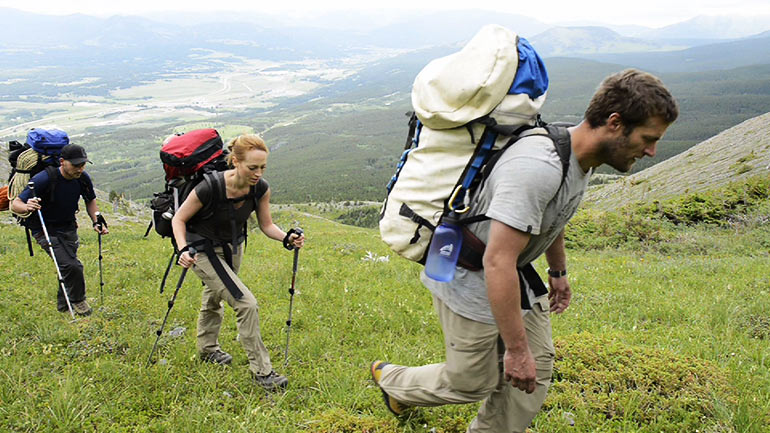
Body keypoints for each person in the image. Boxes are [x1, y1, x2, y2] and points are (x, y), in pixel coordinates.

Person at [371, 69, 679, 432]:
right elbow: (497, 260)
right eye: (647, 138)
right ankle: (392, 381)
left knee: (539, 367)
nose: (651, 151)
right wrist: (516, 351)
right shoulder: (539, 167)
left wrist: (558, 272)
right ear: (615, 123)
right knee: (473, 381)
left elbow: (553, 214)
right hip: (470, 274)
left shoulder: (580, 155)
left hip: (507, 271)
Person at [171, 134, 305, 391]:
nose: (258, 173)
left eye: (262, 167)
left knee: (214, 296)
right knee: (246, 303)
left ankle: (208, 350)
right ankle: (263, 372)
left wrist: (286, 238)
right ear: (235, 161)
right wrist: (182, 249)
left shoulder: (260, 188)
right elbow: (179, 219)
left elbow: (266, 225)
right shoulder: (209, 187)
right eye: (252, 167)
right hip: (202, 250)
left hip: (234, 246)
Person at [11, 144, 108, 316]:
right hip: (43, 228)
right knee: (72, 266)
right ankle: (79, 303)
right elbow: (15, 204)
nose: (80, 168)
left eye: (83, 164)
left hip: (68, 226)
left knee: (66, 265)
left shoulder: (82, 178)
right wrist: (27, 206)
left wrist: (96, 221)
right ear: (62, 162)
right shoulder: (44, 179)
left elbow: (90, 200)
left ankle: (63, 306)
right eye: (76, 165)